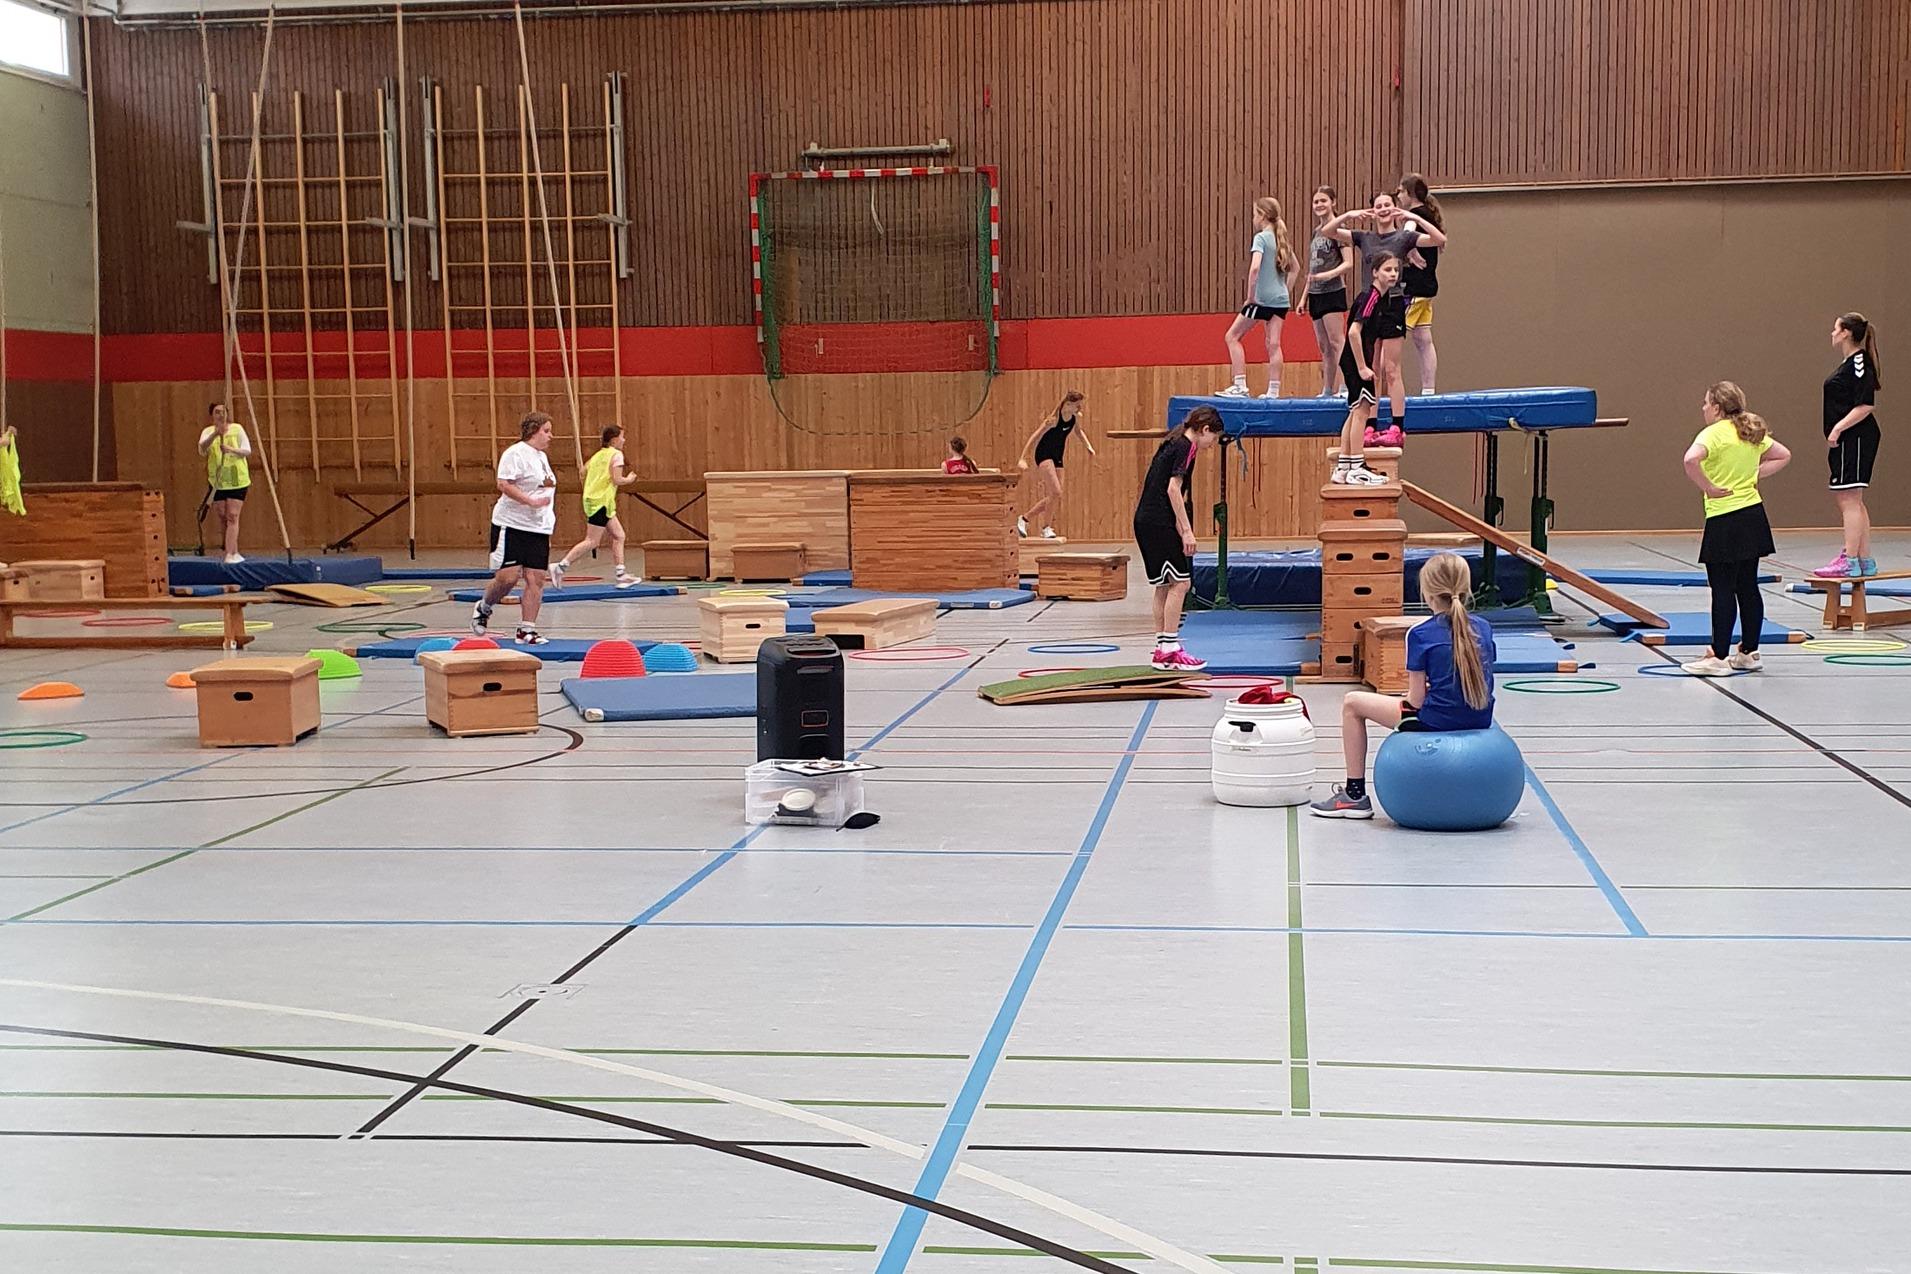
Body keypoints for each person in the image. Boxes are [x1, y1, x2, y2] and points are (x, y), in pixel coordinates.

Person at [1310, 552, 1496, 819]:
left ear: (1427, 592)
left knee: (1353, 703)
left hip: (1436, 720)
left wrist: (1409, 695)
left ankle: (1353, 794)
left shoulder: (1420, 633)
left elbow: (1416, 702)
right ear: (1466, 587)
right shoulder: (1484, 627)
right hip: (1479, 717)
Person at [1681, 382, 1791, 676]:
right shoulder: (1750, 430)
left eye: (1706, 403)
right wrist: (1754, 474)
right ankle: (1749, 651)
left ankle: (1718, 655)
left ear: (1717, 407)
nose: (1703, 408)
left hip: (1725, 518)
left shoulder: (1713, 433)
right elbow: (1783, 454)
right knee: (1747, 585)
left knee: (1722, 588)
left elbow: (1690, 460)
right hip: (1753, 515)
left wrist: (1709, 487)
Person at [1323, 194, 1446, 445]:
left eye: (1387, 205)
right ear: (1373, 210)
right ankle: (1371, 425)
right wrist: (1348, 216)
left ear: (1394, 209)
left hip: (1393, 305)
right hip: (1370, 304)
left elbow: (1439, 239)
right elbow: (1329, 231)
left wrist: (1412, 217)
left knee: (1392, 369)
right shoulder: (1364, 237)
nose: (1383, 210)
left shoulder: (1403, 238)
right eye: (1378, 206)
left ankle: (1397, 426)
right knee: (1373, 370)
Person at [1133, 405, 1224, 671]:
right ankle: (1170, 648)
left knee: (1164, 585)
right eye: (1214, 439)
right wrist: (1186, 530)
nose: (1212, 445)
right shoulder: (1185, 446)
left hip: (1146, 520)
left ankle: (1163, 649)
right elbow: (1173, 490)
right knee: (1181, 583)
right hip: (1156, 521)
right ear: (1205, 430)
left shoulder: (1173, 442)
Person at [473, 412, 559, 645]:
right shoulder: (515, 453)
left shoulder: (541, 457)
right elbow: (503, 484)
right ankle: (484, 606)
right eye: (547, 431)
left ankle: (527, 629)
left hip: (538, 527)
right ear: (533, 431)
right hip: (512, 525)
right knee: (508, 578)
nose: (551, 436)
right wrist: (529, 501)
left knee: (536, 578)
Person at [1814, 312, 1884, 579]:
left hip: (1855, 438)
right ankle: (1864, 558)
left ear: (1845, 333)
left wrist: (1838, 428)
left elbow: (1866, 403)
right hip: (1850, 438)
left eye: (1835, 329)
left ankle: (1850, 557)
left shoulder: (1859, 363)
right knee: (1853, 499)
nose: (1832, 334)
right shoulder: (1850, 363)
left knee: (1848, 499)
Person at [1216, 196, 1303, 399]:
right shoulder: (1281, 238)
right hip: (1280, 301)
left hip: (1262, 299)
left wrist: (1250, 297)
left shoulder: (1262, 238)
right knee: (1273, 344)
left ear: (1262, 216)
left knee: (1232, 336)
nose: (1253, 218)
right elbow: (1296, 268)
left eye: (1255, 214)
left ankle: (1239, 384)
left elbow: (1255, 268)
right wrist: (1284, 290)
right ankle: (1273, 391)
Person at [1330, 255, 1405, 487]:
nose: (1392, 274)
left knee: (1354, 412)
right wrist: (1363, 366)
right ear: (1374, 272)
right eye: (1387, 269)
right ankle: (1356, 466)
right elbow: (1353, 332)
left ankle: (1343, 467)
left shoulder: (1382, 299)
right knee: (1362, 412)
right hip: (1355, 361)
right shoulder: (1371, 296)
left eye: (1395, 270)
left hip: (1352, 360)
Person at [552, 424, 643, 590]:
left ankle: (621, 575)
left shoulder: (598, 455)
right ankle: (560, 567)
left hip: (600, 501)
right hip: (600, 501)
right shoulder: (616, 455)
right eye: (622, 437)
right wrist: (629, 479)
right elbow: (617, 479)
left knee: (619, 535)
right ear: (615, 439)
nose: (624, 440)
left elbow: (583, 471)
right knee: (592, 541)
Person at [1300, 185, 1354, 397]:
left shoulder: (1339, 231)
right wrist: (1304, 297)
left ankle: (1345, 387)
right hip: (1316, 294)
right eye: (1316, 202)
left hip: (1332, 292)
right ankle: (1327, 389)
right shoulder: (1316, 232)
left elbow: (1348, 263)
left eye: (1324, 200)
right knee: (1324, 347)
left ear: (1333, 202)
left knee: (1336, 341)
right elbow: (1313, 269)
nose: (1319, 205)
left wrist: (1328, 276)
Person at [1017, 390, 1095, 538]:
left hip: (1058, 455)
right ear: (1068, 404)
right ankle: (1045, 528)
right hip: (1044, 454)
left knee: (1055, 495)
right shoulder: (1054, 419)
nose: (1079, 408)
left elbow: (1079, 432)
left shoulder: (1072, 418)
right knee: (1056, 492)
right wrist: (1023, 457)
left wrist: (1088, 446)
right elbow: (1035, 436)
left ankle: (1024, 519)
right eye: (1077, 405)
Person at [1395, 173, 1444, 396]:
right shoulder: (1428, 216)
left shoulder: (1413, 215)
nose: (1397, 195)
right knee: (1423, 339)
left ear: (1410, 193)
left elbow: (1402, 239)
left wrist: (1410, 251)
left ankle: (1391, 385)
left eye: (1400, 192)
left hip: (1415, 287)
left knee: (1394, 334)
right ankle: (1429, 389)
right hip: (1428, 287)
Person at [196, 402, 252, 565]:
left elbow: (247, 450)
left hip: (236, 480)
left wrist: (231, 449)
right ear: (212, 415)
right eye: (217, 412)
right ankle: (232, 550)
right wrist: (215, 434)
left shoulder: (237, 429)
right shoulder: (207, 432)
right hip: (218, 481)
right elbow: (202, 449)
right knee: (223, 516)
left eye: (223, 411)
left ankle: (230, 554)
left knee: (233, 516)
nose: (221, 415)